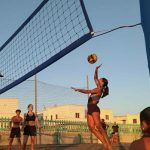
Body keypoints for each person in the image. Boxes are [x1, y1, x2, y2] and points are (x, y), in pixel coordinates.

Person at [72, 65, 112, 150]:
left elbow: (88, 91)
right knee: (91, 128)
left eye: (100, 80)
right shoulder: (98, 86)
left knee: (99, 126)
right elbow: (95, 78)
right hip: (89, 109)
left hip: (94, 108)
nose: (98, 80)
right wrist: (96, 69)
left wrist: (78, 90)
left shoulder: (99, 89)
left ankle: (109, 145)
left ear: (102, 83)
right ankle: (104, 143)